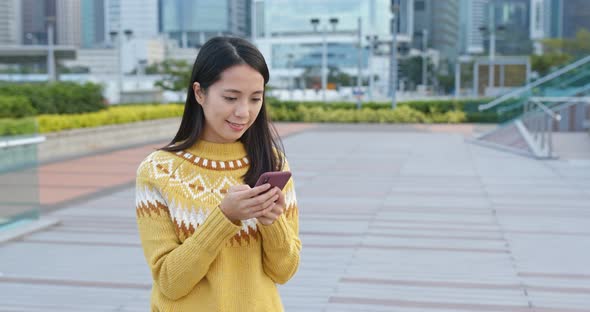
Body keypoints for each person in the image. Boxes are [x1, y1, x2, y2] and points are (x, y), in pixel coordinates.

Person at [135, 37, 301, 311]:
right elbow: (170, 281)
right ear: (199, 93)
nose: (243, 112)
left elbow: (285, 271)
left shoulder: (273, 163)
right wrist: (225, 218)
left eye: (255, 98)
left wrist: (273, 223)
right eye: (230, 98)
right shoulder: (158, 171)